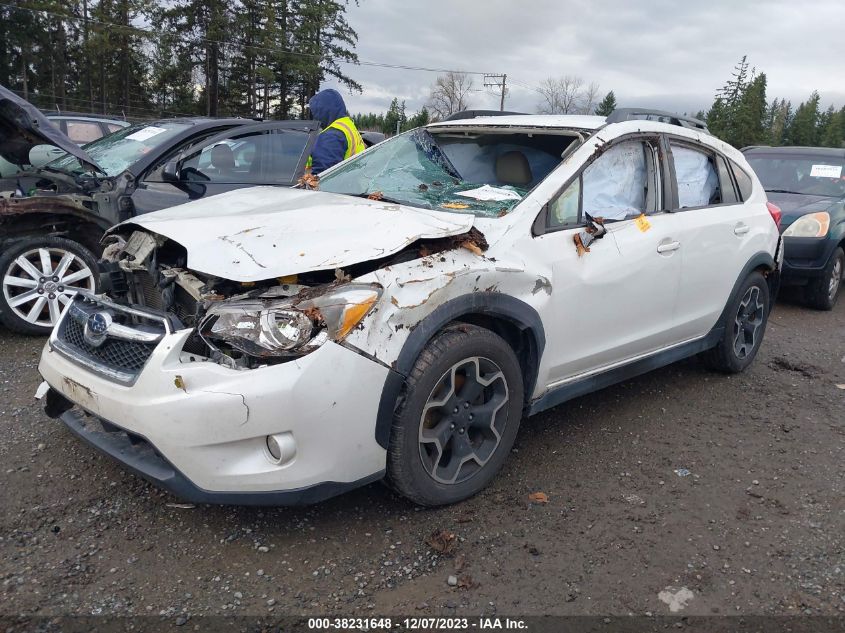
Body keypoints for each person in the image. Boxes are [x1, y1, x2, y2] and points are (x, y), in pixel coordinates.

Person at [306, 88, 366, 175]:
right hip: (352, 182)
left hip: (341, 185)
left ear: (323, 110)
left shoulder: (331, 136)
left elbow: (322, 178)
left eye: (315, 112)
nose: (314, 116)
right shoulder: (347, 125)